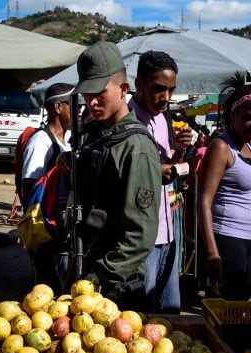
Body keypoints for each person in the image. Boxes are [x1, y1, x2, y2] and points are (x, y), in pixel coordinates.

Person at [72, 41, 162, 308]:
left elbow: (140, 234)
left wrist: (97, 278)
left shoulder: (137, 147)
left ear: (124, 89)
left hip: (115, 285)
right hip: (89, 269)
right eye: (87, 94)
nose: (92, 101)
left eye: (99, 92)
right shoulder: (98, 135)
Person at [197, 82, 251, 300]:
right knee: (227, 309)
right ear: (234, 114)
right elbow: (204, 202)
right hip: (227, 238)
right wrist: (212, 253)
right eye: (249, 117)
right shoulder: (222, 147)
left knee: (241, 304)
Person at [128, 50, 193, 314]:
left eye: (171, 90)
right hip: (142, 234)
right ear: (139, 84)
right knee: (143, 313)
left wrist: (179, 151)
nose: (166, 98)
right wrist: (157, 173)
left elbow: (167, 164)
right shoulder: (126, 120)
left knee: (170, 310)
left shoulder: (161, 119)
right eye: (158, 89)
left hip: (168, 226)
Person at [21, 82, 73, 294]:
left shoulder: (66, 140)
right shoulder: (41, 141)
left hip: (59, 229)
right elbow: (29, 188)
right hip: (47, 233)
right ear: (58, 107)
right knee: (48, 290)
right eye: (73, 105)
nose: (77, 111)